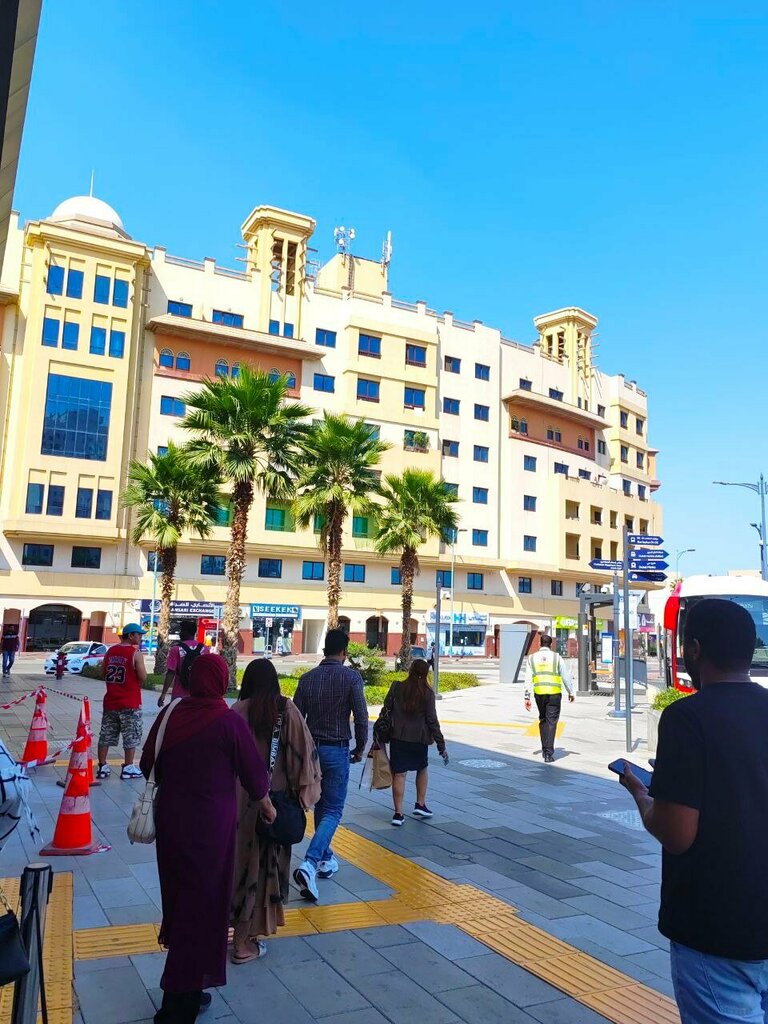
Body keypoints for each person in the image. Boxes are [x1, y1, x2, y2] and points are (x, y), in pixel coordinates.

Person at [620, 598, 768, 1023]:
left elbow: (678, 832)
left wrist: (643, 795)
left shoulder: (688, 718)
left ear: (695, 650)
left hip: (716, 931)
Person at [140, 654, 274, 1024]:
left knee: (182, 901)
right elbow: (256, 779)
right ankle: (175, 1005)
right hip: (211, 830)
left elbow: (146, 763)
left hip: (171, 824)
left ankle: (191, 988)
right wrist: (268, 808)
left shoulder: (170, 714)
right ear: (220, 681)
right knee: (203, 907)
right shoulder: (228, 722)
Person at [230, 660, 320, 963]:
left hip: (236, 807)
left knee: (238, 868)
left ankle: (231, 930)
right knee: (263, 870)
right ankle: (244, 943)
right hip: (272, 805)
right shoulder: (285, 710)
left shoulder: (235, 712)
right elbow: (303, 760)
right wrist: (305, 797)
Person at [292, 628, 368, 901]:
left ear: (325, 649)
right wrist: (360, 747)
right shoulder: (351, 677)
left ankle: (326, 859)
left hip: (311, 752)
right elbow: (361, 716)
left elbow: (296, 719)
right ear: (344, 652)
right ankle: (311, 863)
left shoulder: (307, 679)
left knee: (321, 807)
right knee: (334, 809)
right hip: (337, 750)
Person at [378, 658, 448, 826]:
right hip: (419, 740)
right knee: (422, 768)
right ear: (425, 674)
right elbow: (432, 720)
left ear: (410, 671)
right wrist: (441, 745)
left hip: (398, 738)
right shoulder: (427, 693)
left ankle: (398, 814)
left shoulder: (397, 687)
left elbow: (385, 710)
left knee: (399, 774)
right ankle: (420, 804)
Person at [97, 623, 147, 780]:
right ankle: (128, 767)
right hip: (130, 703)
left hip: (111, 701)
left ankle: (102, 767)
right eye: (139, 635)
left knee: (106, 735)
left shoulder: (111, 651)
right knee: (130, 735)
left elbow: (102, 672)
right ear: (131, 635)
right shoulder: (135, 653)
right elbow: (143, 677)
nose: (141, 637)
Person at [524, 634, 575, 762]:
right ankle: (548, 753)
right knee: (551, 722)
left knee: (542, 720)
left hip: (539, 693)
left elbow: (528, 679)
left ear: (540, 643)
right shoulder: (557, 657)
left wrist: (527, 697)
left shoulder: (532, 658)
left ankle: (544, 748)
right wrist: (571, 692)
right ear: (551, 644)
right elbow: (565, 676)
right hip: (554, 694)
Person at [158, 619, 208, 707]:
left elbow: (171, 673)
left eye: (181, 631)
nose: (180, 633)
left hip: (179, 695)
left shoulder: (176, 649)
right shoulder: (205, 649)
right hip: (199, 694)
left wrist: (163, 694)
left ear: (186, 632)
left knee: (178, 718)